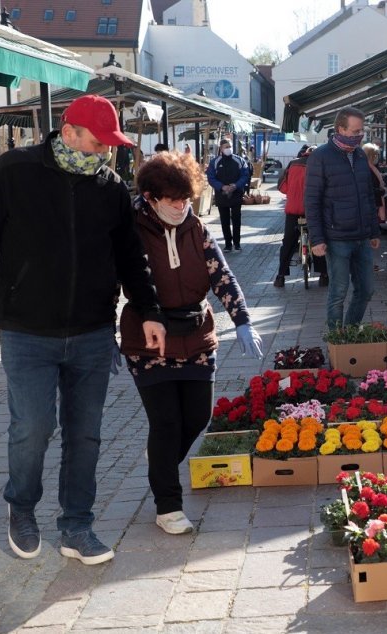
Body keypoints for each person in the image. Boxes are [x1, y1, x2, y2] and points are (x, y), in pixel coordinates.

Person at [0, 94, 166, 565]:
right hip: (28, 330)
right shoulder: (13, 171)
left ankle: (77, 527)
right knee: (33, 427)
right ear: (68, 132)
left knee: (85, 433)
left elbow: (131, 256)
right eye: (96, 142)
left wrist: (149, 311)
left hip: (92, 331)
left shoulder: (108, 186)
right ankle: (22, 511)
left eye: (109, 146)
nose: (103, 153)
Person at [123, 151, 262, 534]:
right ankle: (168, 505)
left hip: (197, 334)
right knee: (165, 421)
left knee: (198, 416)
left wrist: (243, 320)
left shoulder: (196, 227)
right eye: (173, 200)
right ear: (151, 197)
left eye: (186, 199)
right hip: (150, 338)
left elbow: (223, 276)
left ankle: (160, 461)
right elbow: (118, 280)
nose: (181, 206)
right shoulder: (131, 229)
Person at [304, 106, 381, 328]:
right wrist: (316, 239)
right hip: (336, 237)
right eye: (355, 131)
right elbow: (312, 201)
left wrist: (374, 231)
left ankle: (350, 331)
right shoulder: (320, 157)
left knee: (366, 290)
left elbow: (367, 196)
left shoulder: (358, 155)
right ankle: (337, 341)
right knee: (338, 292)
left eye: (361, 131)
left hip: (362, 237)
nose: (360, 136)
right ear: (340, 129)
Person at [275, 145, 328, 288]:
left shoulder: (293, 164)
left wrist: (293, 193)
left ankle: (280, 277)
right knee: (318, 240)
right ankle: (324, 275)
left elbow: (282, 187)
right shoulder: (321, 166)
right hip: (314, 211)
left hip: (293, 210)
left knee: (288, 243)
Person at [206, 138, 249, 252]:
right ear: (221, 148)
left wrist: (236, 185)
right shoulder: (215, 162)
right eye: (226, 147)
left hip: (236, 194)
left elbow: (245, 175)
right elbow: (210, 178)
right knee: (224, 221)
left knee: (236, 219)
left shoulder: (239, 160)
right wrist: (221, 186)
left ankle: (237, 243)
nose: (228, 149)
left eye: (229, 146)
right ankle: (228, 244)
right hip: (222, 195)